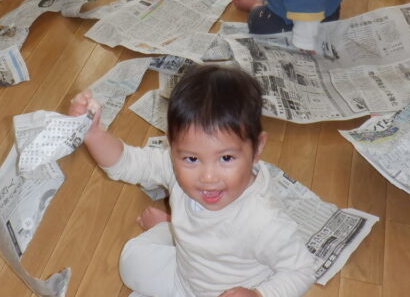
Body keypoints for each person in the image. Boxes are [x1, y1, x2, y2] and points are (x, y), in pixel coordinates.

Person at [69, 64, 317, 297]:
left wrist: (260, 294)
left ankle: (171, 228)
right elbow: (126, 163)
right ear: (172, 146)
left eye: (226, 158)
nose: (208, 178)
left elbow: (302, 269)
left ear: (257, 148)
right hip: (184, 278)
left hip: (235, 290)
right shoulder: (174, 166)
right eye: (191, 159)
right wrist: (93, 135)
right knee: (129, 262)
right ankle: (169, 228)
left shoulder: (263, 219)